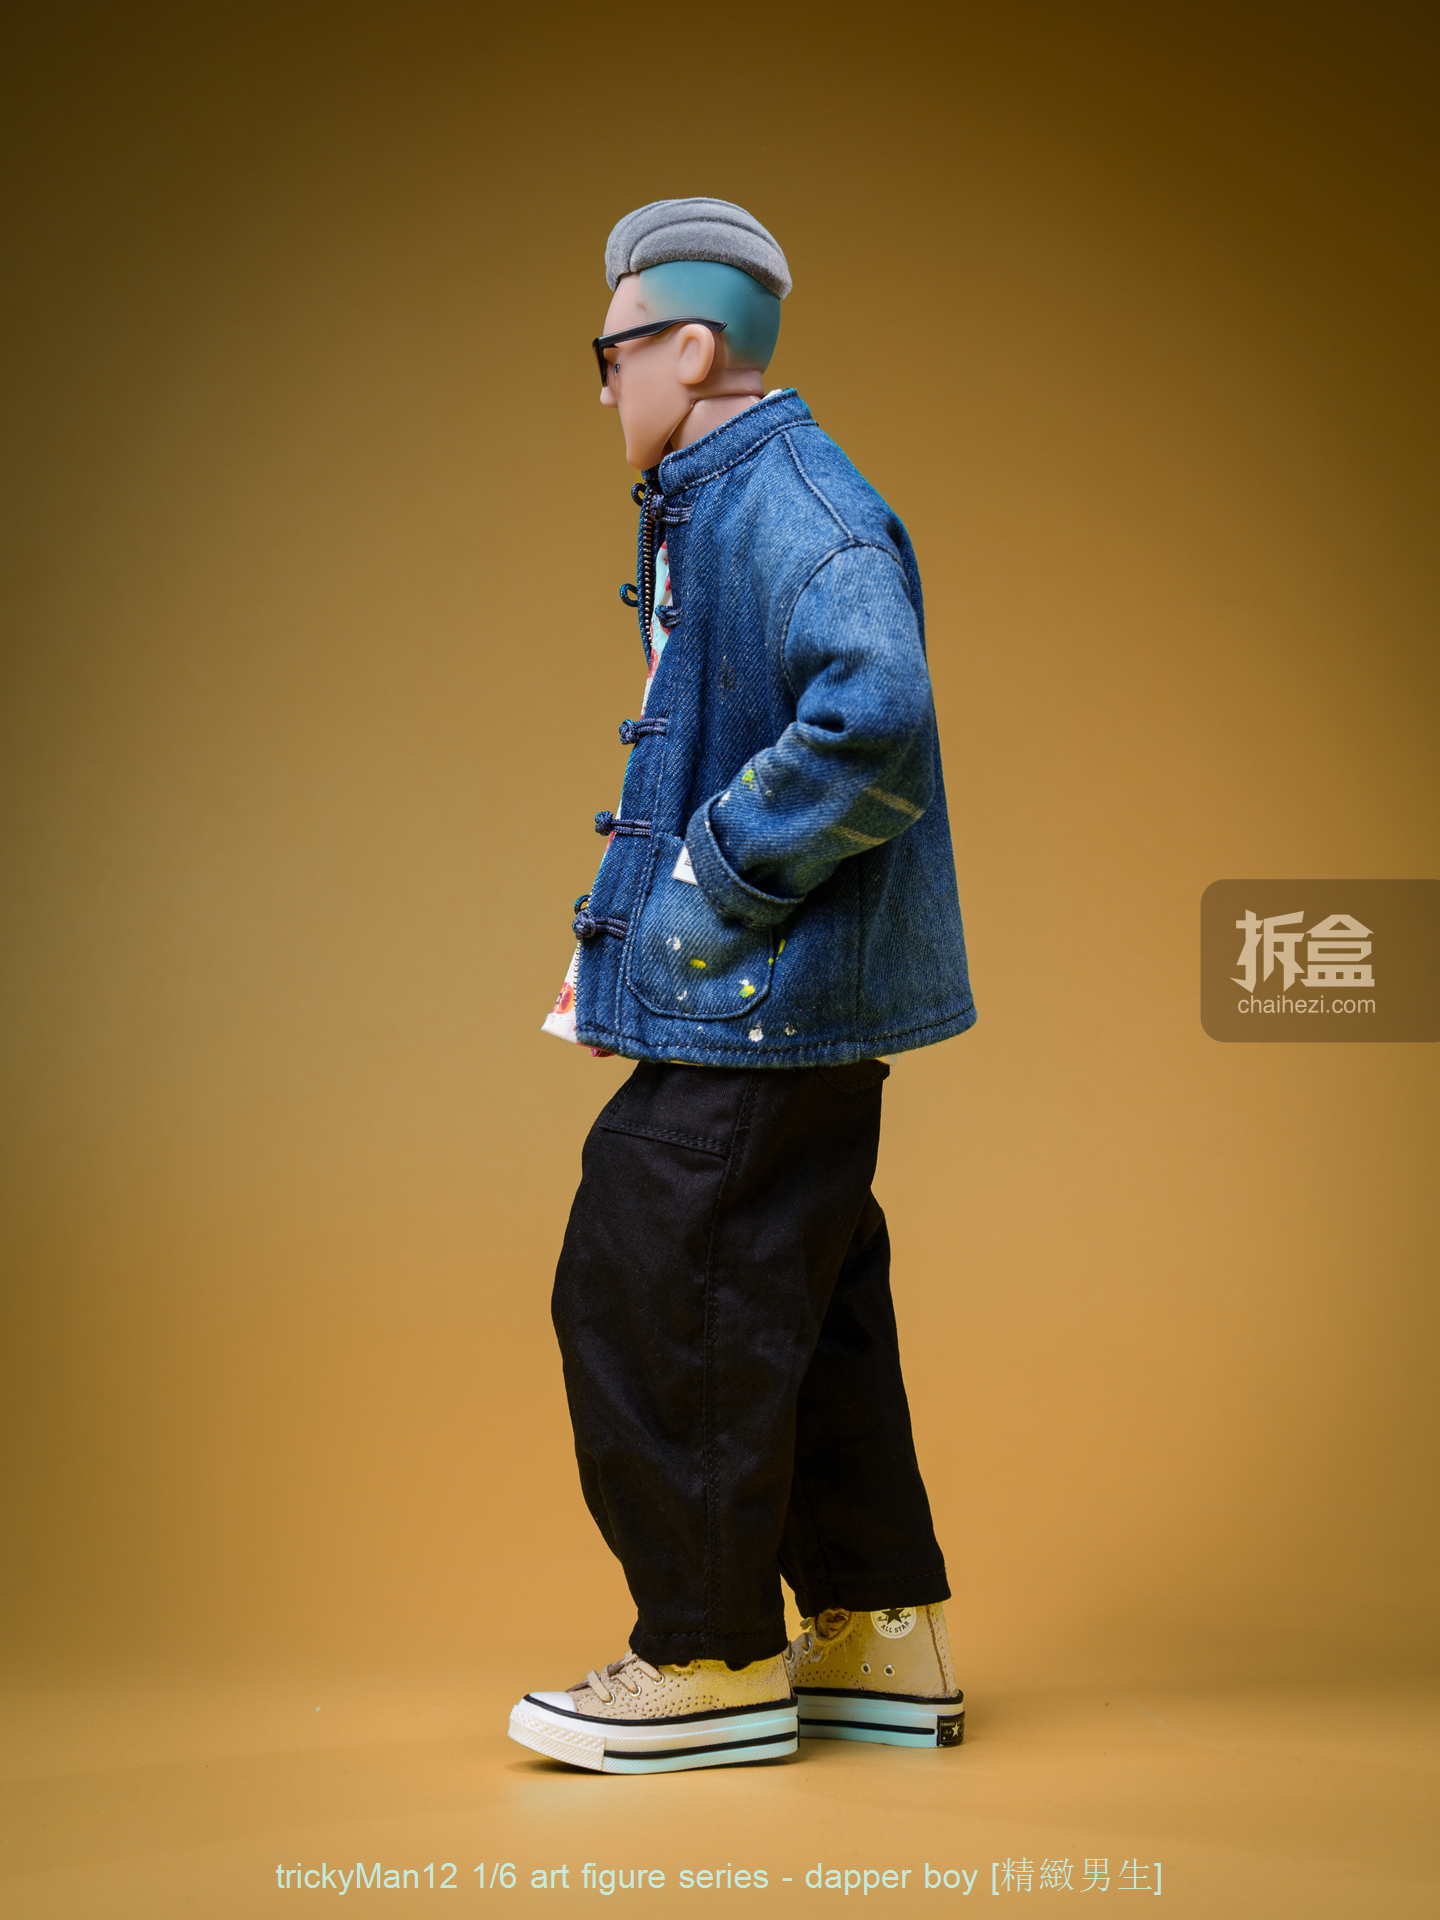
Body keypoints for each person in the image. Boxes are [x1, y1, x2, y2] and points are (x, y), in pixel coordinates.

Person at [508, 199, 975, 1774]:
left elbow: (877, 714)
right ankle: (877, 1634)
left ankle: (707, 1660)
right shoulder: (732, 497)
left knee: (659, 1286)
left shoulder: (790, 504)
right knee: (798, 1293)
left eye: (612, 352)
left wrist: (714, 875)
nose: (604, 386)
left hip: (765, 994)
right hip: (782, 996)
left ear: (689, 349)